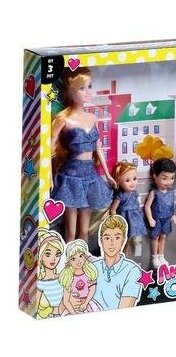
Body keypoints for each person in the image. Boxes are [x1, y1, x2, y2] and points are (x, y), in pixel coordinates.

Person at [50, 67, 116, 241]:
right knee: (70, 231)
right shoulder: (63, 119)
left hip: (90, 176)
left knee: (84, 231)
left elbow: (98, 147)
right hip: (71, 176)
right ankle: (68, 256)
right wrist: (48, 176)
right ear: (70, 91)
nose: (88, 92)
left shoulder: (92, 118)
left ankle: (82, 257)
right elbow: (50, 148)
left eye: (89, 86)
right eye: (82, 88)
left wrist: (108, 174)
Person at [93, 215, 143, 310]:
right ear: (101, 241)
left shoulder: (132, 271)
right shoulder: (92, 267)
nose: (112, 243)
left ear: (123, 240)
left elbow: (124, 309)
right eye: (107, 238)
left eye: (117, 238)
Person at [144, 158, 176, 268]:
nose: (168, 182)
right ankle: (154, 257)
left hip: (167, 219)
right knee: (155, 238)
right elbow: (147, 206)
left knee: (163, 237)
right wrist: (150, 218)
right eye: (164, 178)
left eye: (172, 178)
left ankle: (161, 256)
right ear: (155, 176)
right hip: (157, 219)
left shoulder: (171, 192)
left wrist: (173, 215)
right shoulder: (154, 192)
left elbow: (171, 205)